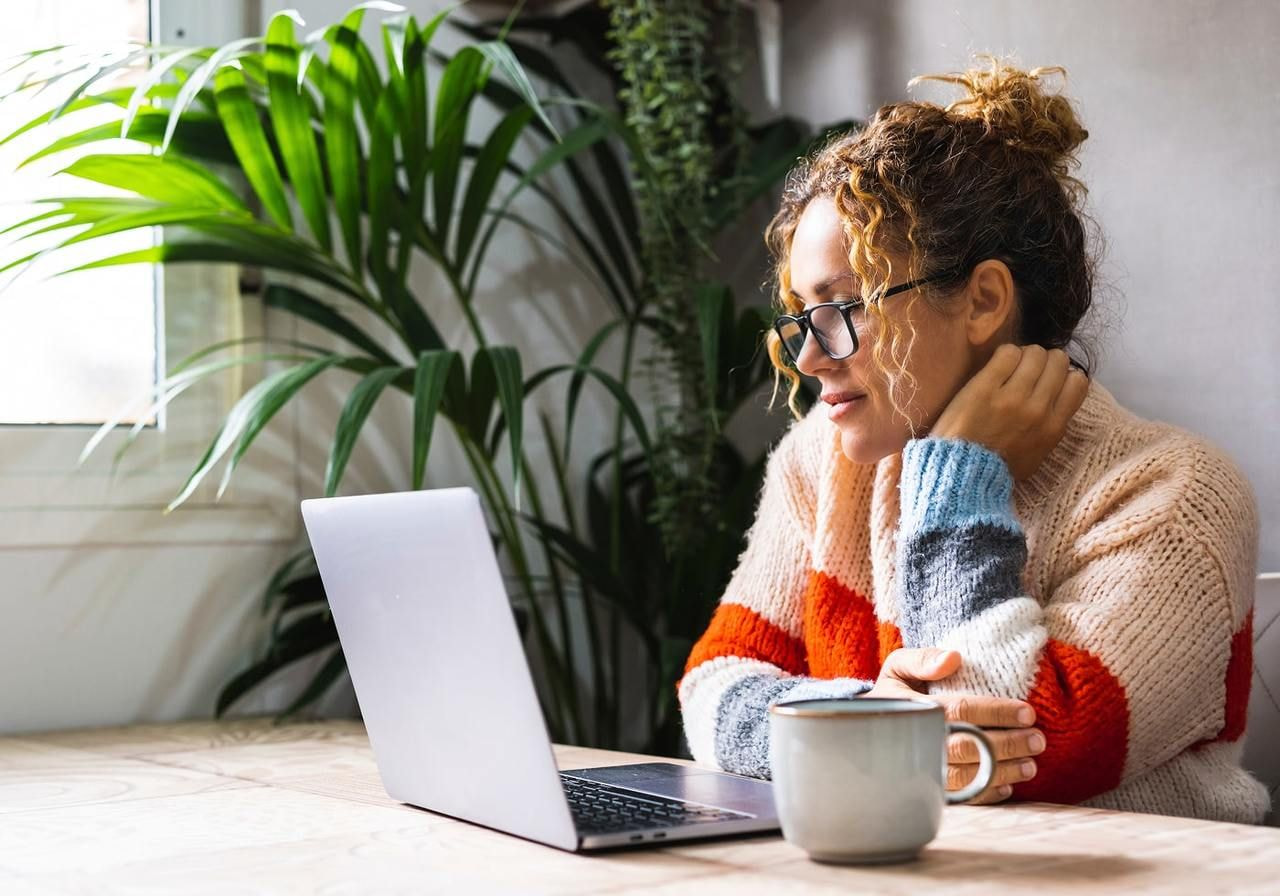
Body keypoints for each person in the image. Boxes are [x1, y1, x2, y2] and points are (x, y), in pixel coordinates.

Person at [677, 55, 1269, 824]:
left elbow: (1003, 759)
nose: (810, 356)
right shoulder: (821, 464)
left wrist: (959, 477)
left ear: (984, 299)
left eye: (843, 308)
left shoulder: (1174, 493)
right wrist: (870, 714)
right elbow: (711, 685)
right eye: (801, 318)